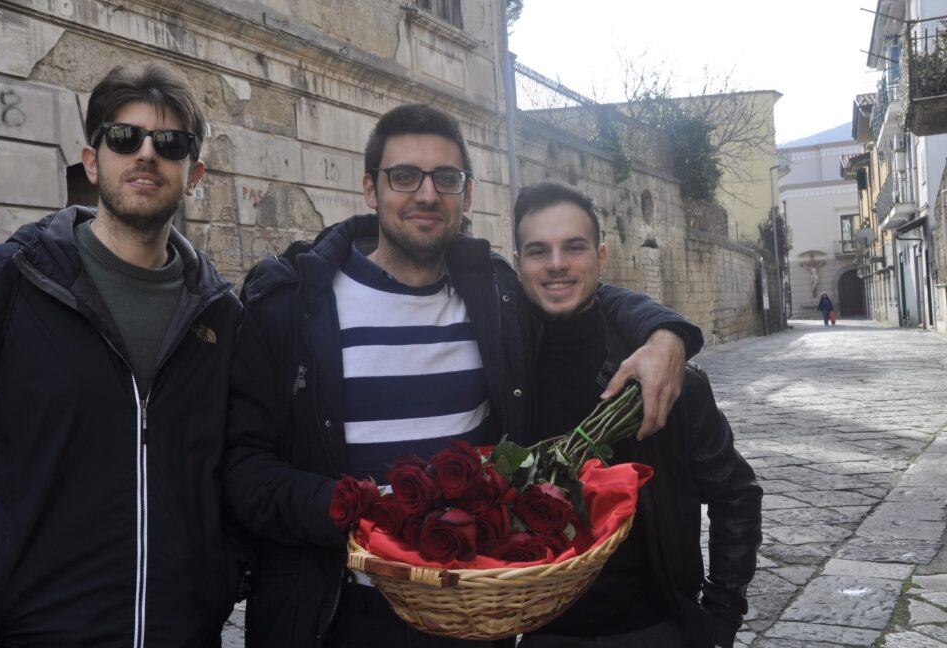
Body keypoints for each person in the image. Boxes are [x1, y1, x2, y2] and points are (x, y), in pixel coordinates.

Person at [223, 104, 704, 648]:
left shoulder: (494, 297)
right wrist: (352, 511)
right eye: (404, 176)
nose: (427, 195)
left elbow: (574, 285)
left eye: (446, 178)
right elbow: (242, 469)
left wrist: (667, 332)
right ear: (369, 190)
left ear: (467, 195)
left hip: (472, 621)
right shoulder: (291, 306)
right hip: (335, 614)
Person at [0, 63, 250, 646]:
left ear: (193, 173)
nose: (146, 154)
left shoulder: (222, 319)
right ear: (93, 160)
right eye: (125, 137)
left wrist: (223, 574)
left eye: (169, 143)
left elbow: (244, 464)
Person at [512, 181, 762, 648]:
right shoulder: (508, 373)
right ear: (517, 265)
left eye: (574, 247)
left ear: (602, 257)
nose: (557, 264)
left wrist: (720, 615)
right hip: (543, 632)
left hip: (654, 627)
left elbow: (737, 496)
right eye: (538, 251)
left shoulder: (668, 375)